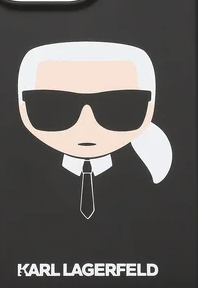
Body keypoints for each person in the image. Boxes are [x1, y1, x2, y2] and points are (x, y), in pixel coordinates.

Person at [18, 41, 173, 219]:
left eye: (117, 107)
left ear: (149, 109)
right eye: (55, 105)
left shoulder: (144, 174)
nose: (87, 124)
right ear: (23, 108)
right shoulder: (23, 176)